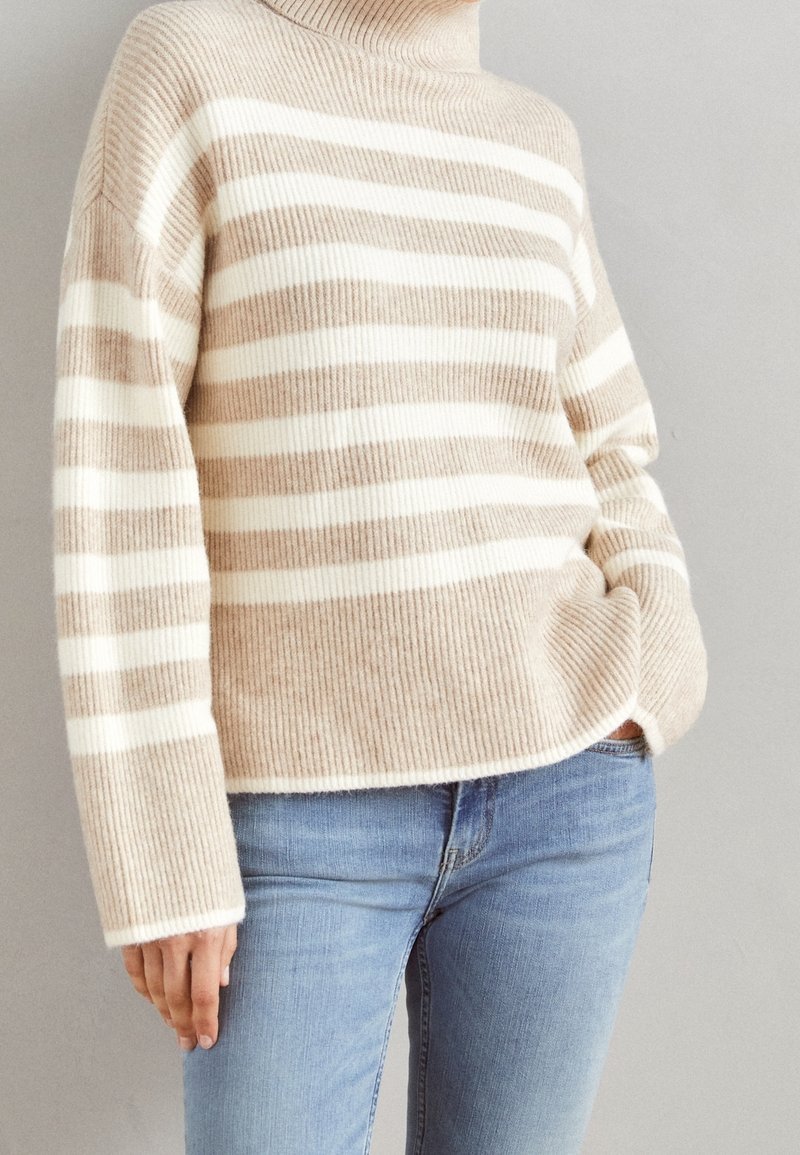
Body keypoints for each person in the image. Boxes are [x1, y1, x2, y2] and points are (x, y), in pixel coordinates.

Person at [51, 0, 708, 1151]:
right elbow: (119, 457)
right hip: (294, 824)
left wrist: (653, 667)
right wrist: (162, 849)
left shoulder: (533, 140)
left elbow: (608, 442)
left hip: (563, 797)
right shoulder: (192, 64)